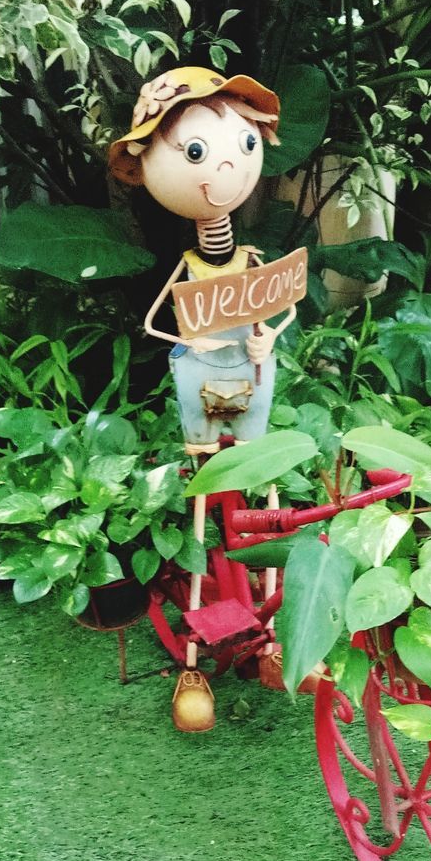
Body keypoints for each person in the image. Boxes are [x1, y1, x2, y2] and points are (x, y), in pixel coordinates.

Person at [109, 66, 297, 731]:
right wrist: (188, 338)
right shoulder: (191, 269)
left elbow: (269, 317)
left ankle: (273, 634)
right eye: (194, 153)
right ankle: (193, 656)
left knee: (267, 491)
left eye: (241, 146)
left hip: (246, 381)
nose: (222, 166)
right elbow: (158, 320)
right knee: (200, 502)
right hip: (201, 383)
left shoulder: (246, 259)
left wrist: (262, 341)